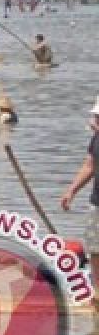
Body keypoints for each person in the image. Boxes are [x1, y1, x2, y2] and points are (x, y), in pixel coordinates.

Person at [60, 97, 99, 294]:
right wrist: (71, 191)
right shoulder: (96, 139)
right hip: (97, 203)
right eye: (95, 117)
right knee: (94, 247)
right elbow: (89, 165)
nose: (94, 122)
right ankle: (97, 291)